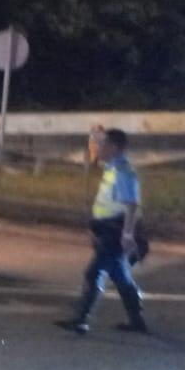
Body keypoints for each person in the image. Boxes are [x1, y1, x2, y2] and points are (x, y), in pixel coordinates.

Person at [58, 128, 148, 335]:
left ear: (114, 147)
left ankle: (81, 320)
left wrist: (127, 235)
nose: (99, 148)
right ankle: (137, 320)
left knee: (94, 273)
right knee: (120, 276)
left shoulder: (123, 172)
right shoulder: (113, 169)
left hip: (114, 232)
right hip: (108, 230)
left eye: (103, 144)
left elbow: (132, 205)